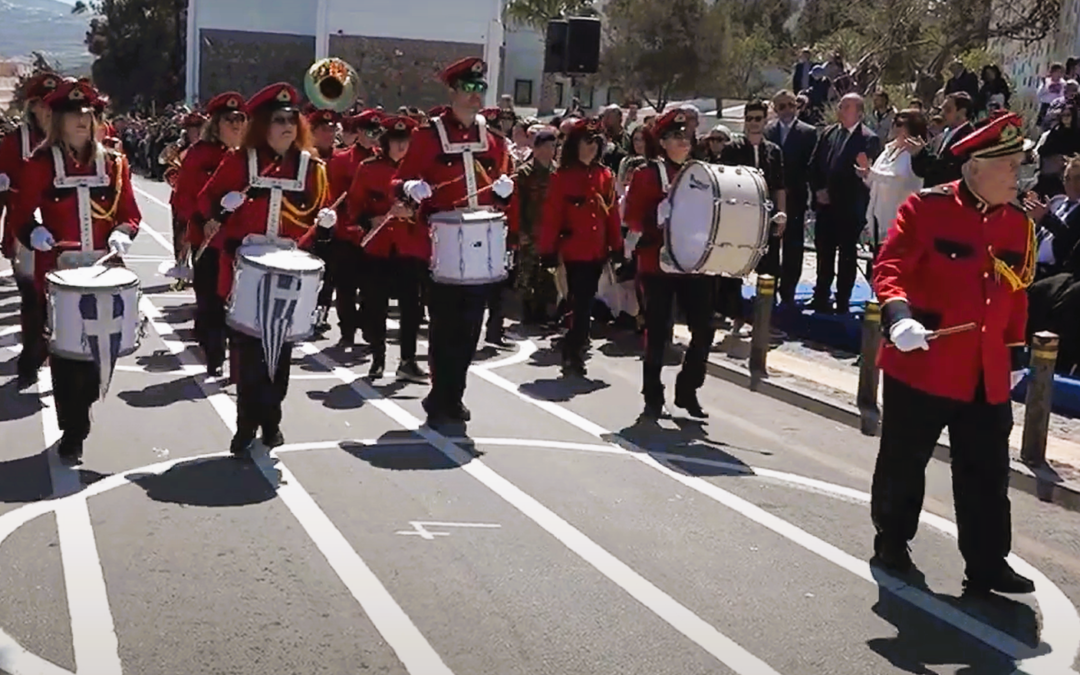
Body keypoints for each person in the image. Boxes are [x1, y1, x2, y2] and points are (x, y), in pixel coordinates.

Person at [871, 112, 1036, 594]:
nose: (1017, 176)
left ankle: (987, 562)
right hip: (923, 363)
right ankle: (893, 540)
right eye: (1008, 166)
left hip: (985, 371)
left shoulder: (1017, 223)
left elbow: (1017, 294)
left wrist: (1016, 358)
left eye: (1018, 165)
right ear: (975, 167)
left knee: (986, 472)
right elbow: (891, 266)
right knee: (904, 461)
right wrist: (899, 316)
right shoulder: (926, 208)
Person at [195, 83, 334, 456]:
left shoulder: (310, 167)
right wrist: (218, 213)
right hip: (246, 269)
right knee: (248, 352)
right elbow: (205, 200)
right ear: (262, 125)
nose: (287, 126)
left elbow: (317, 215)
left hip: (289, 272)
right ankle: (245, 425)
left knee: (281, 354)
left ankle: (271, 418)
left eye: (292, 119)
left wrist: (326, 226)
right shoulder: (240, 161)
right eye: (278, 120)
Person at [10, 79, 142, 461]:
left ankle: (80, 409)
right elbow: (21, 214)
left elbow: (129, 212)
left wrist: (122, 232)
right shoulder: (39, 162)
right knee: (67, 355)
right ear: (59, 120)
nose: (83, 120)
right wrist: (32, 233)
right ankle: (73, 428)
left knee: (100, 355)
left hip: (104, 273)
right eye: (73, 114)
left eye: (89, 113)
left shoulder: (114, 163)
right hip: (61, 274)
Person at [392, 57, 514, 424]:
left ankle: (453, 393)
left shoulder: (492, 138)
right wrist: (411, 188)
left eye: (480, 89)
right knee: (444, 326)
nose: (476, 97)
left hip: (480, 246)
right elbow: (398, 181)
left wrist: (507, 194)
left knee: (471, 328)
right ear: (454, 91)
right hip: (440, 246)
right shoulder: (427, 136)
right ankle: (440, 393)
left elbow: (501, 183)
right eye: (469, 89)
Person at [623, 108, 715, 419]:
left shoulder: (699, 173)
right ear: (662, 142)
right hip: (657, 264)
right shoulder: (647, 175)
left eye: (686, 135)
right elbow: (632, 218)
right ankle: (652, 394)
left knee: (704, 328)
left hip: (691, 264)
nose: (684, 141)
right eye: (676, 136)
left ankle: (688, 388)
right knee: (659, 331)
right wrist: (654, 217)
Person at [344, 114, 428, 381]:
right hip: (378, 246)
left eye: (406, 140)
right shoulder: (368, 168)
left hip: (409, 246)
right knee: (375, 305)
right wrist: (371, 219)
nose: (401, 145)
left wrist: (413, 213)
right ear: (386, 141)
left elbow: (433, 205)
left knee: (411, 308)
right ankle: (378, 358)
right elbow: (353, 206)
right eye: (396, 140)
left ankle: (408, 360)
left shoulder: (419, 172)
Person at [537, 117, 623, 376]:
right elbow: (552, 217)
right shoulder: (562, 178)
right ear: (575, 145)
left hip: (597, 251)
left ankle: (574, 345)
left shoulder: (605, 176)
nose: (593, 147)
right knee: (579, 301)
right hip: (573, 251)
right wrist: (548, 251)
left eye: (596, 142)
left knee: (584, 301)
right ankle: (574, 349)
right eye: (588, 142)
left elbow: (612, 214)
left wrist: (617, 247)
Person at [173, 91, 248, 377]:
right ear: (216, 124)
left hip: (238, 240)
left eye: (241, 119)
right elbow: (184, 197)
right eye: (230, 119)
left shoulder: (248, 157)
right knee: (210, 300)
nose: (237, 125)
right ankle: (215, 355)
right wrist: (204, 218)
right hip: (207, 240)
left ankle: (234, 353)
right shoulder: (200, 154)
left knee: (237, 300)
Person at [0, 72, 59, 388]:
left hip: (64, 233)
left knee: (58, 298)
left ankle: (51, 349)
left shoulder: (72, 141)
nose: (50, 110)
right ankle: (31, 354)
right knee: (32, 297)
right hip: (26, 232)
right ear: (32, 106)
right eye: (43, 104)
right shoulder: (13, 142)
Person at [808, 93, 881, 314]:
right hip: (825, 207)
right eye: (841, 105)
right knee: (824, 253)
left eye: (846, 106)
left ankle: (842, 300)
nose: (841, 109)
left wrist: (835, 194)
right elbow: (814, 165)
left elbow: (864, 177)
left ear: (859, 112)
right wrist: (819, 190)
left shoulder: (868, 139)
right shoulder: (829, 133)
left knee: (847, 256)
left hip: (849, 209)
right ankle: (821, 295)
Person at [718, 99, 787, 334]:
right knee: (736, 269)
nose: (754, 123)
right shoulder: (732, 149)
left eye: (758, 118)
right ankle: (737, 317)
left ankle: (764, 320)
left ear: (765, 120)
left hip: (766, 218)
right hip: (739, 218)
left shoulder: (774, 151)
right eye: (750, 119)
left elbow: (779, 186)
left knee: (769, 270)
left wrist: (782, 213)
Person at [765, 89, 818, 307]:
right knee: (771, 245)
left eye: (791, 105)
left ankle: (788, 292)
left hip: (796, 197)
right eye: (782, 106)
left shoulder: (809, 132)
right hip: (770, 199)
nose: (787, 110)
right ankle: (769, 288)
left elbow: (812, 167)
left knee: (793, 248)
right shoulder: (768, 131)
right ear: (775, 109)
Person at [508, 125, 559, 325]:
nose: (548, 151)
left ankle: (545, 312)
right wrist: (519, 231)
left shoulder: (558, 172)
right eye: (544, 146)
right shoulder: (525, 173)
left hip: (550, 232)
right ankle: (528, 313)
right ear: (535, 148)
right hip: (530, 231)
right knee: (528, 273)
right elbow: (517, 205)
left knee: (548, 275)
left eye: (552, 146)